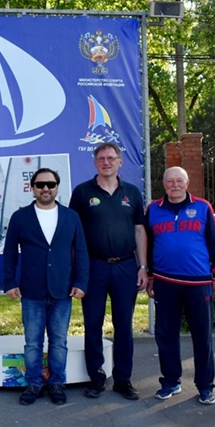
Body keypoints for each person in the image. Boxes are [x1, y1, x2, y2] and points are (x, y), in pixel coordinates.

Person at [69, 142, 148, 400]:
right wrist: (77, 271)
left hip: (126, 266)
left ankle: (123, 380)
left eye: (111, 158)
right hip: (94, 266)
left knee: (123, 325)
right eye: (101, 158)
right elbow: (73, 235)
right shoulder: (82, 193)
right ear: (95, 162)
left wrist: (143, 267)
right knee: (93, 324)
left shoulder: (132, 193)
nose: (106, 162)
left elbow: (139, 231)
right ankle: (96, 378)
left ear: (120, 162)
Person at [3, 168, 89, 406]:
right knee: (33, 342)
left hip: (63, 289)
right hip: (32, 290)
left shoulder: (71, 217)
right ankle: (33, 383)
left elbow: (81, 251)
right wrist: (9, 282)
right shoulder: (20, 217)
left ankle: (56, 383)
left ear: (57, 187)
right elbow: (9, 253)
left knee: (59, 341)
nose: (45, 189)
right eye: (40, 184)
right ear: (32, 188)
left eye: (51, 184)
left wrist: (81, 282)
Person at [145, 166, 215, 405]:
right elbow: (147, 246)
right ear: (164, 184)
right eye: (170, 181)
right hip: (165, 282)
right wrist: (150, 276)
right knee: (166, 336)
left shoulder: (203, 207)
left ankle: (205, 386)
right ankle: (170, 382)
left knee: (202, 337)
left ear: (187, 182)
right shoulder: (153, 209)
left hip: (198, 283)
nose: (175, 185)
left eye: (179, 180)